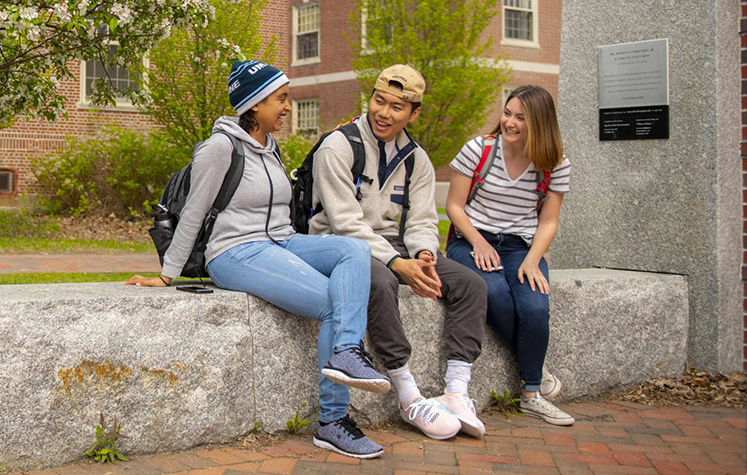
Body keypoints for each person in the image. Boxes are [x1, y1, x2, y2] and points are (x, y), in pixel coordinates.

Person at [126, 60, 392, 459]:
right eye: (280, 99)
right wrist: (167, 274)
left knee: (354, 248)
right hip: (235, 252)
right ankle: (333, 422)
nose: (288, 106)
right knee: (333, 303)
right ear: (254, 104)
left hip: (282, 241)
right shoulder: (219, 148)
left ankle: (347, 352)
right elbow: (195, 212)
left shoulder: (270, 146)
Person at [309, 65, 488, 440]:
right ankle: (408, 394)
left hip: (397, 246)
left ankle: (457, 391)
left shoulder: (416, 158)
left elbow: (423, 218)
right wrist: (396, 263)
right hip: (341, 245)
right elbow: (344, 223)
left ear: (414, 113)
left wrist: (423, 255)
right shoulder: (339, 146)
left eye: (396, 107)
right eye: (379, 101)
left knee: (471, 284)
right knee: (379, 280)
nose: (384, 113)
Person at [445, 85, 574, 426]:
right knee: (493, 293)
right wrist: (478, 242)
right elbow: (454, 207)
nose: (509, 122)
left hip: (520, 247)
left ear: (540, 124)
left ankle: (531, 397)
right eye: (507, 113)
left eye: (520, 117)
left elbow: (549, 221)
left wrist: (533, 259)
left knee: (535, 306)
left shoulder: (555, 164)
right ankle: (535, 374)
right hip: (471, 239)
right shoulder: (479, 150)